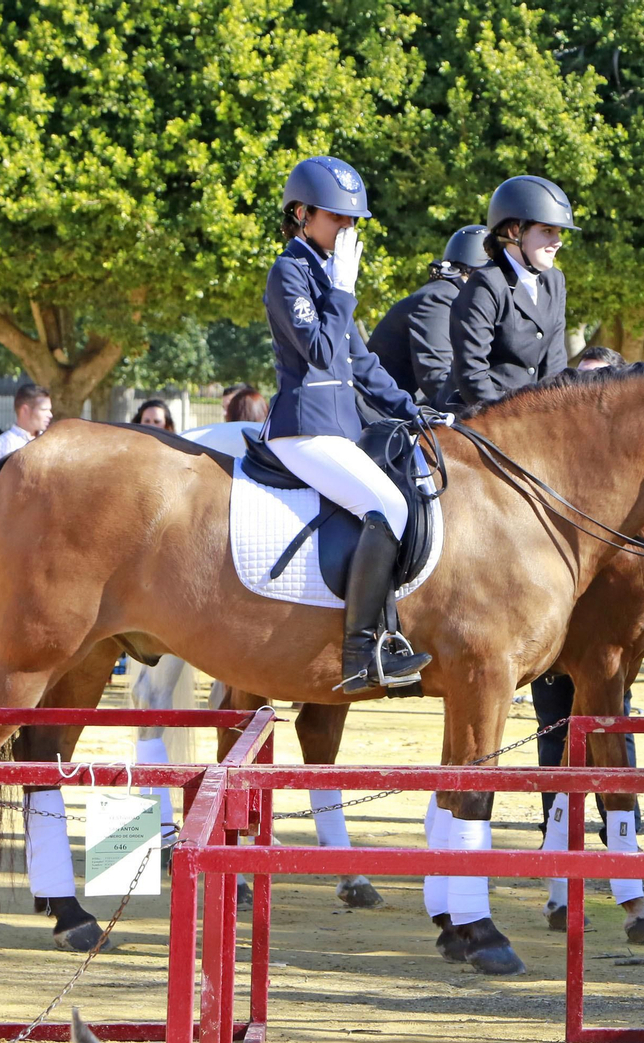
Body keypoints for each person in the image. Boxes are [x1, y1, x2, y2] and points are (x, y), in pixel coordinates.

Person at [263, 155, 433, 691]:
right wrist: (341, 292)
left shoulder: (327, 274)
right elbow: (317, 350)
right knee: (389, 506)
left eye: (353, 219)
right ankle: (360, 653)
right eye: (337, 217)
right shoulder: (289, 272)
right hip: (302, 427)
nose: (349, 228)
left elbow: (361, 363)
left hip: (339, 429)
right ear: (302, 214)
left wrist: (412, 410)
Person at [446, 176, 577, 408]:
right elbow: (472, 373)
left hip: (533, 415)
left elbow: (555, 364)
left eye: (558, 233)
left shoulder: (555, 281)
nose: (557, 242)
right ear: (515, 231)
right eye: (547, 231)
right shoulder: (485, 284)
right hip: (483, 413)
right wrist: (513, 421)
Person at [367, 225, 489, 402]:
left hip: (398, 407)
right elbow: (437, 380)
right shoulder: (440, 298)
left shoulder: (450, 296)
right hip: (379, 411)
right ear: (477, 273)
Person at [0, 385, 53, 471]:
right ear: (25, 410)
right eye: (44, 410)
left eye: (49, 410)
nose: (50, 415)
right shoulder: (2, 445)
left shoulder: (51, 443)